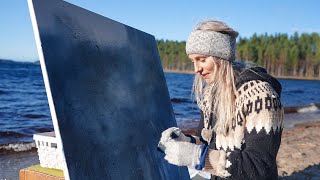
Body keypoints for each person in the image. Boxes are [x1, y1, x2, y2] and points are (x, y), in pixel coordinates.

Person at [159, 20, 283, 179]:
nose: (197, 69)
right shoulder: (210, 94)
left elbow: (260, 168)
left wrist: (198, 157)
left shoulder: (261, 96)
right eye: (193, 61)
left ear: (221, 57)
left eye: (202, 59)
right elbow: (207, 143)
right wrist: (186, 141)